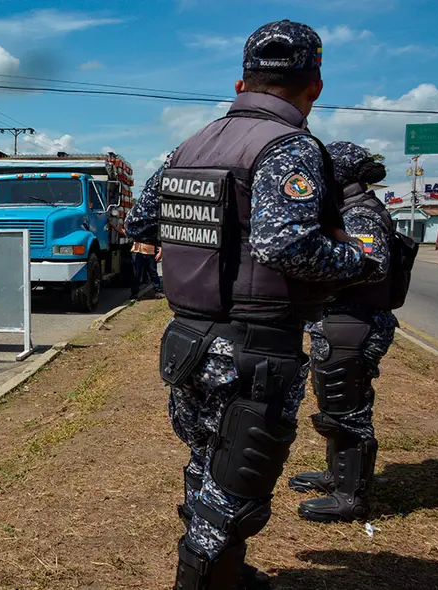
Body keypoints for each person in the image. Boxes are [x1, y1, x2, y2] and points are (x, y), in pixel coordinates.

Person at [126, 20, 377, 589]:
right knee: (237, 486)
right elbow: (285, 243)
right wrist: (359, 263)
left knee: (206, 467)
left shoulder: (188, 146)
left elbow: (140, 221)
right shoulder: (287, 146)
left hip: (189, 342)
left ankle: (226, 574)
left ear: (242, 84)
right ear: (314, 86)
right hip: (253, 349)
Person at [290, 141, 405, 523]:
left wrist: (313, 265)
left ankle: (349, 495)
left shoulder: (360, 214)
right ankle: (335, 476)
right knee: (334, 404)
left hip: (354, 323)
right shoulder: (344, 209)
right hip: (340, 321)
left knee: (348, 408)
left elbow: (373, 265)